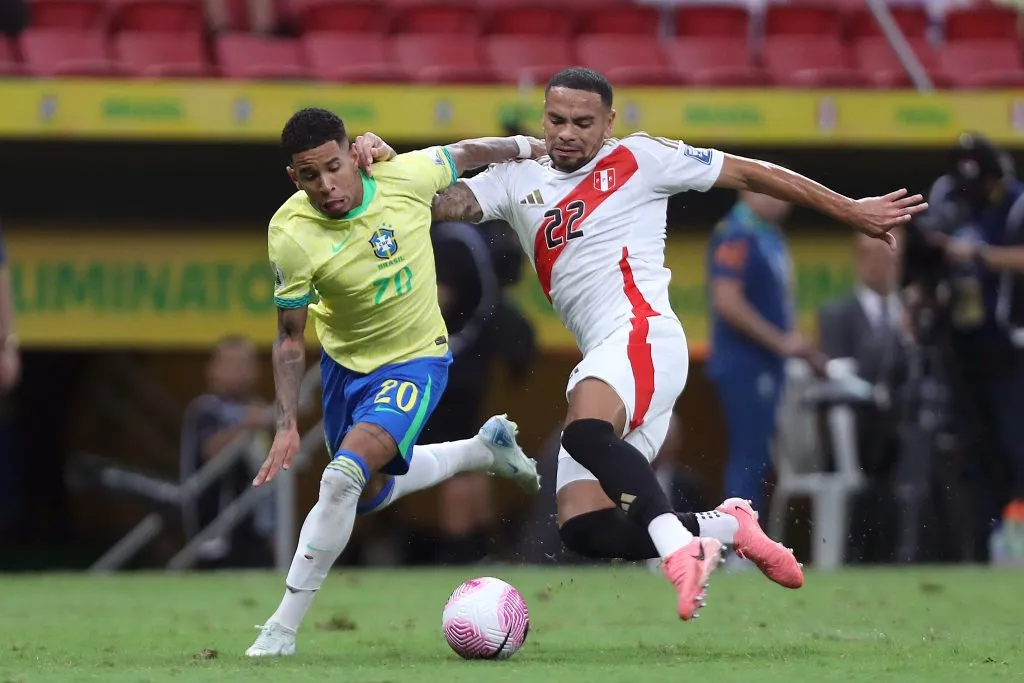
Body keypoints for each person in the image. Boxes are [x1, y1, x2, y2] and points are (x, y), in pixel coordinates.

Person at [360, 67, 926, 620]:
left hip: (642, 335)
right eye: (556, 119)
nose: (567, 133)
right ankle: (728, 526)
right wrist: (383, 171)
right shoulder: (515, 179)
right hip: (608, 352)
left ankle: (680, 552)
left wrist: (849, 208)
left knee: (583, 432)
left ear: (608, 124)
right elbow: (437, 204)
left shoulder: (641, 159)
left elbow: (751, 174)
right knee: (583, 527)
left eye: (583, 122)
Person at [245, 108, 543, 657]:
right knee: (366, 493)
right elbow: (290, 338)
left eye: (334, 167)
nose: (327, 185)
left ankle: (280, 629)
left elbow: (471, 151)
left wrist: (537, 147)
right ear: (295, 177)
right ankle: (480, 450)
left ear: (348, 153)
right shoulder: (290, 234)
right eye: (310, 176)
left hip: (415, 361)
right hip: (345, 369)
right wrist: (287, 422)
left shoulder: (401, 175)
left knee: (340, 479)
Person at [926, 133, 1024, 559]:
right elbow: (929, 247)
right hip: (964, 343)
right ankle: (988, 538)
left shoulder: (1017, 202)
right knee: (975, 446)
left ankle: (1016, 528)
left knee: (1014, 440)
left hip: (1011, 344)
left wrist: (980, 255)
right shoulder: (951, 197)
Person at [705, 190, 824, 526]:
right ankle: (738, 539)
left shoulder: (768, 234)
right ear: (746, 191)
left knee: (757, 457)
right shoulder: (736, 233)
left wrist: (795, 345)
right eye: (771, 191)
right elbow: (727, 301)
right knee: (747, 456)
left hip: (767, 363)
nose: (781, 200)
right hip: (744, 363)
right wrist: (780, 342)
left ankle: (745, 537)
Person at [819, 232, 906, 563]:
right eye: (873, 257)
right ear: (858, 260)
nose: (881, 266)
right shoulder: (836, 314)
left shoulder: (911, 312)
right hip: (856, 429)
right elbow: (836, 374)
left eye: (889, 258)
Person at [180, 336, 277, 569]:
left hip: (255, 526)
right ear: (213, 369)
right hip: (215, 529)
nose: (242, 372)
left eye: (247, 364)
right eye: (233, 365)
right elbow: (210, 452)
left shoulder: (260, 410)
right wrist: (246, 425)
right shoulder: (206, 409)